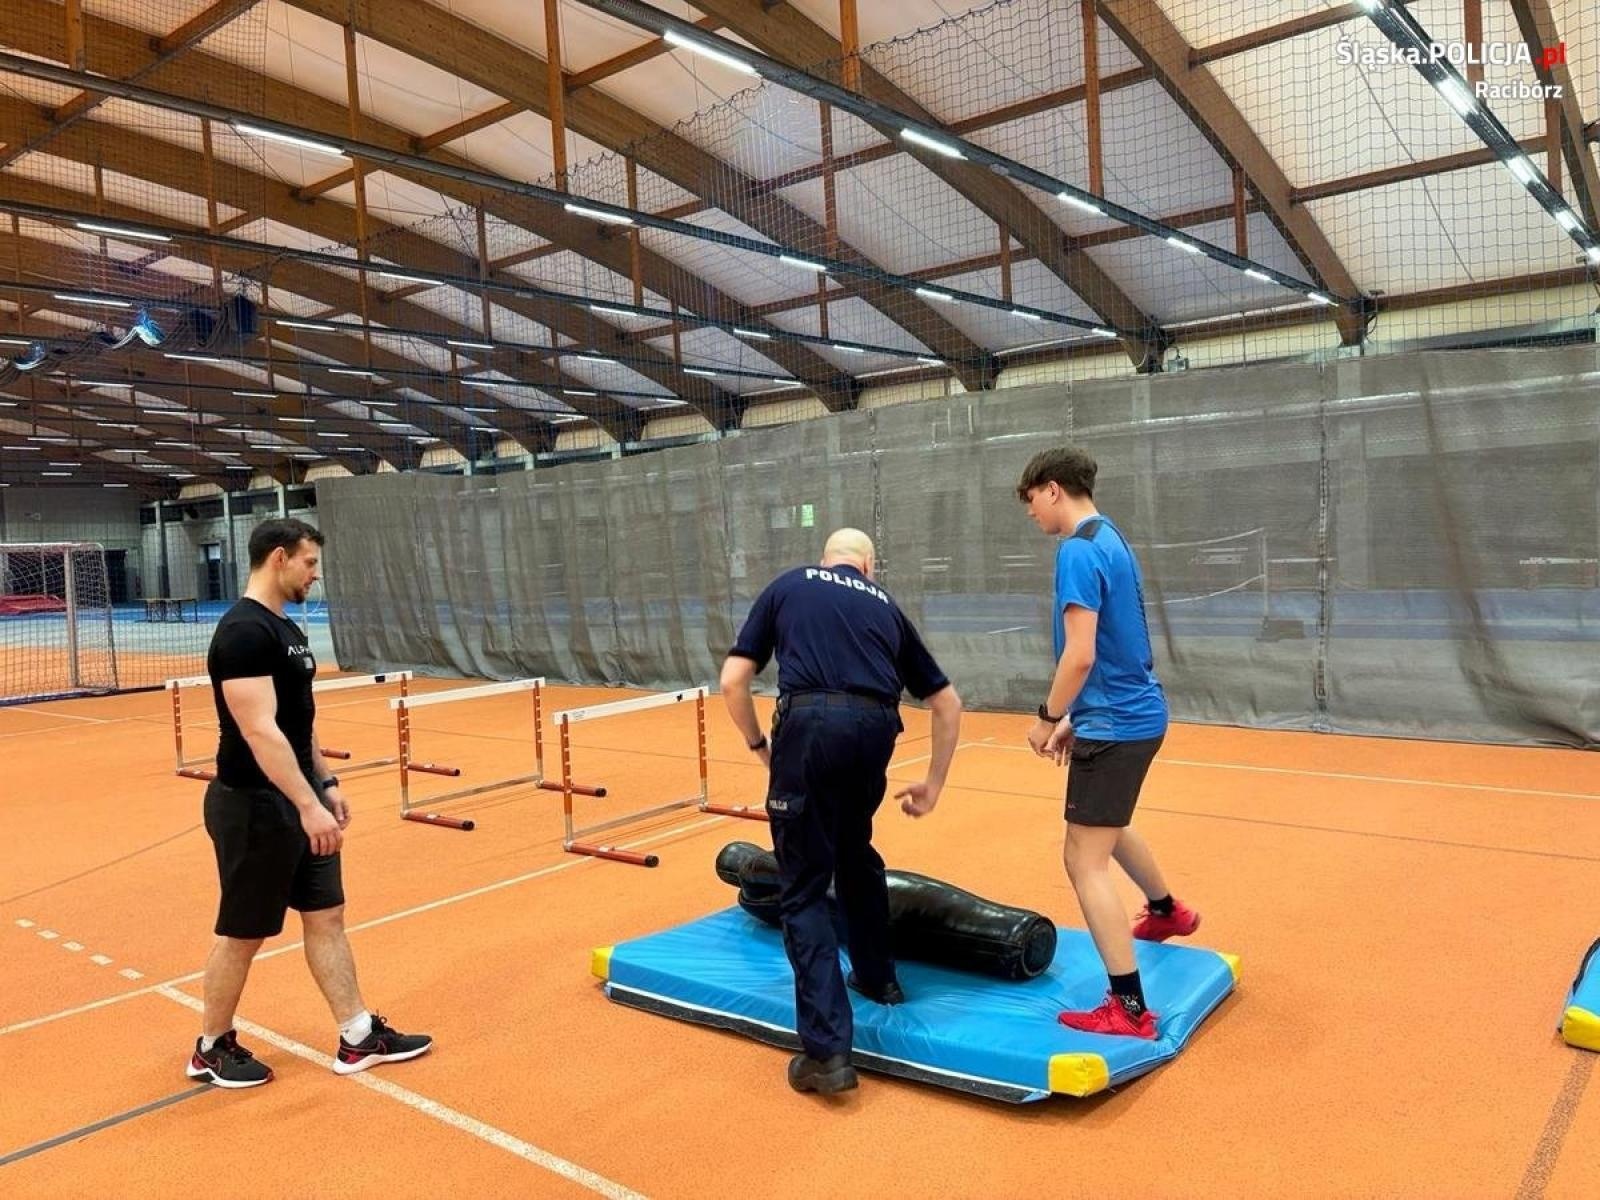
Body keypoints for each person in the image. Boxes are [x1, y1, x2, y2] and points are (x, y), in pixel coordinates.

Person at [186, 517, 432, 1088]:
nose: (315, 574)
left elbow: (298, 721)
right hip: (254, 806)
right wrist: (307, 805)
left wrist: (326, 782)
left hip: (298, 799)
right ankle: (210, 1048)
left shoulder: (285, 628)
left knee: (327, 916)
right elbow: (260, 731)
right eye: (309, 562)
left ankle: (357, 1035)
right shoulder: (243, 632)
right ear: (279, 558)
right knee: (244, 933)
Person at [720, 528, 962, 1095]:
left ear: (825, 560)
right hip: (875, 730)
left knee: (803, 886)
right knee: (854, 852)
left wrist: (759, 745)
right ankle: (878, 979)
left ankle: (827, 1053)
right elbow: (948, 703)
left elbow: (733, 681)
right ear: (868, 567)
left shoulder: (789, 585)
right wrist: (932, 783)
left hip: (810, 728)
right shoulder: (886, 607)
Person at [1016, 446, 1201, 1039]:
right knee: (1108, 824)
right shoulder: (1109, 536)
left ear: (1052, 489)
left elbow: (1081, 653)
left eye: (1031, 501)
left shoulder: (1077, 549)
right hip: (1131, 713)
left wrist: (1048, 716)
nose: (1032, 513)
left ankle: (1128, 1009)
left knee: (1082, 857)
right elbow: (1116, 644)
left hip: (1119, 724)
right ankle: (1168, 911)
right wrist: (1081, 715)